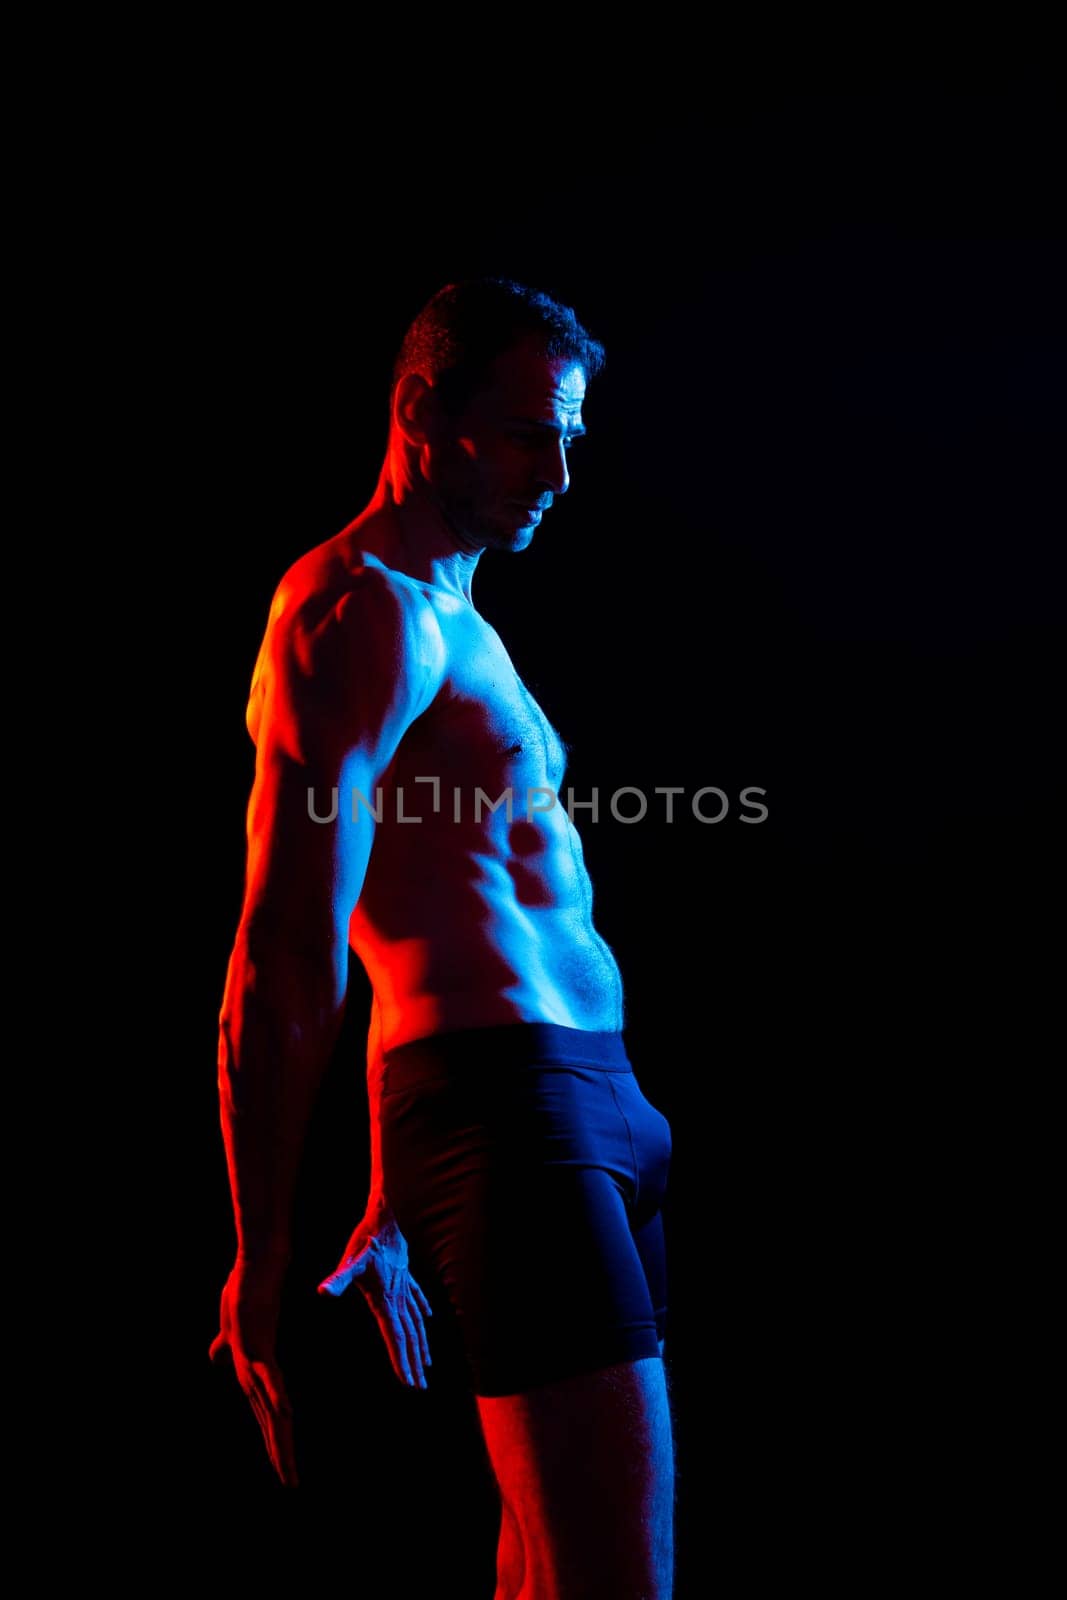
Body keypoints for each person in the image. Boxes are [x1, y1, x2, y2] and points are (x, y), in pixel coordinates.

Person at [209, 278, 675, 1597]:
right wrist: (262, 1252)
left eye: (571, 437)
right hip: (513, 1119)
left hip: (584, 1109)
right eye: (531, 434)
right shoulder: (352, 611)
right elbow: (291, 955)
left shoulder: (460, 618)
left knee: (542, 1565)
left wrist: (387, 1197)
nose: (562, 475)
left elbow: (404, 927)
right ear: (423, 411)